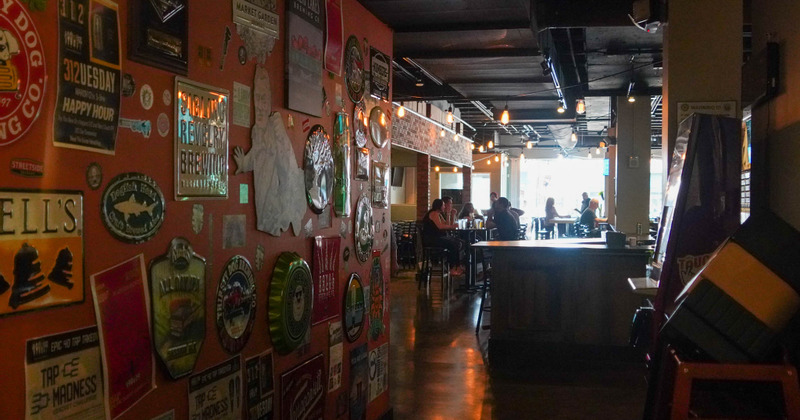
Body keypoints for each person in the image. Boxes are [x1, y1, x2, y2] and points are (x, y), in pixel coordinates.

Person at [422, 199, 464, 276]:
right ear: (439, 206)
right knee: (453, 244)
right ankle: (452, 268)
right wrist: (452, 226)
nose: (444, 207)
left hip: (437, 238)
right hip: (432, 239)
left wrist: (448, 214)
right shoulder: (434, 213)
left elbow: (446, 225)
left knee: (458, 242)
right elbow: (440, 227)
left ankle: (457, 265)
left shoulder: (439, 214)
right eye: (443, 205)